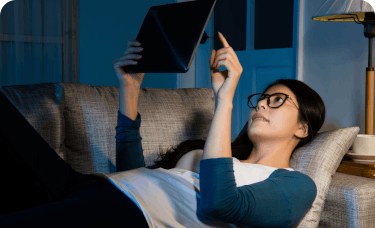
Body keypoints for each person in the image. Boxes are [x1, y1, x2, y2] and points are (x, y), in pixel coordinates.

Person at [0, 32, 324, 228]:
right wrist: (130, 88)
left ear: (303, 127)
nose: (261, 105)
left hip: (124, 213)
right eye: (260, 99)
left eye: (277, 100)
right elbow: (135, 173)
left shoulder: (295, 184)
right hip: (90, 186)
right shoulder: (216, 153)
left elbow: (220, 204)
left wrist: (224, 100)